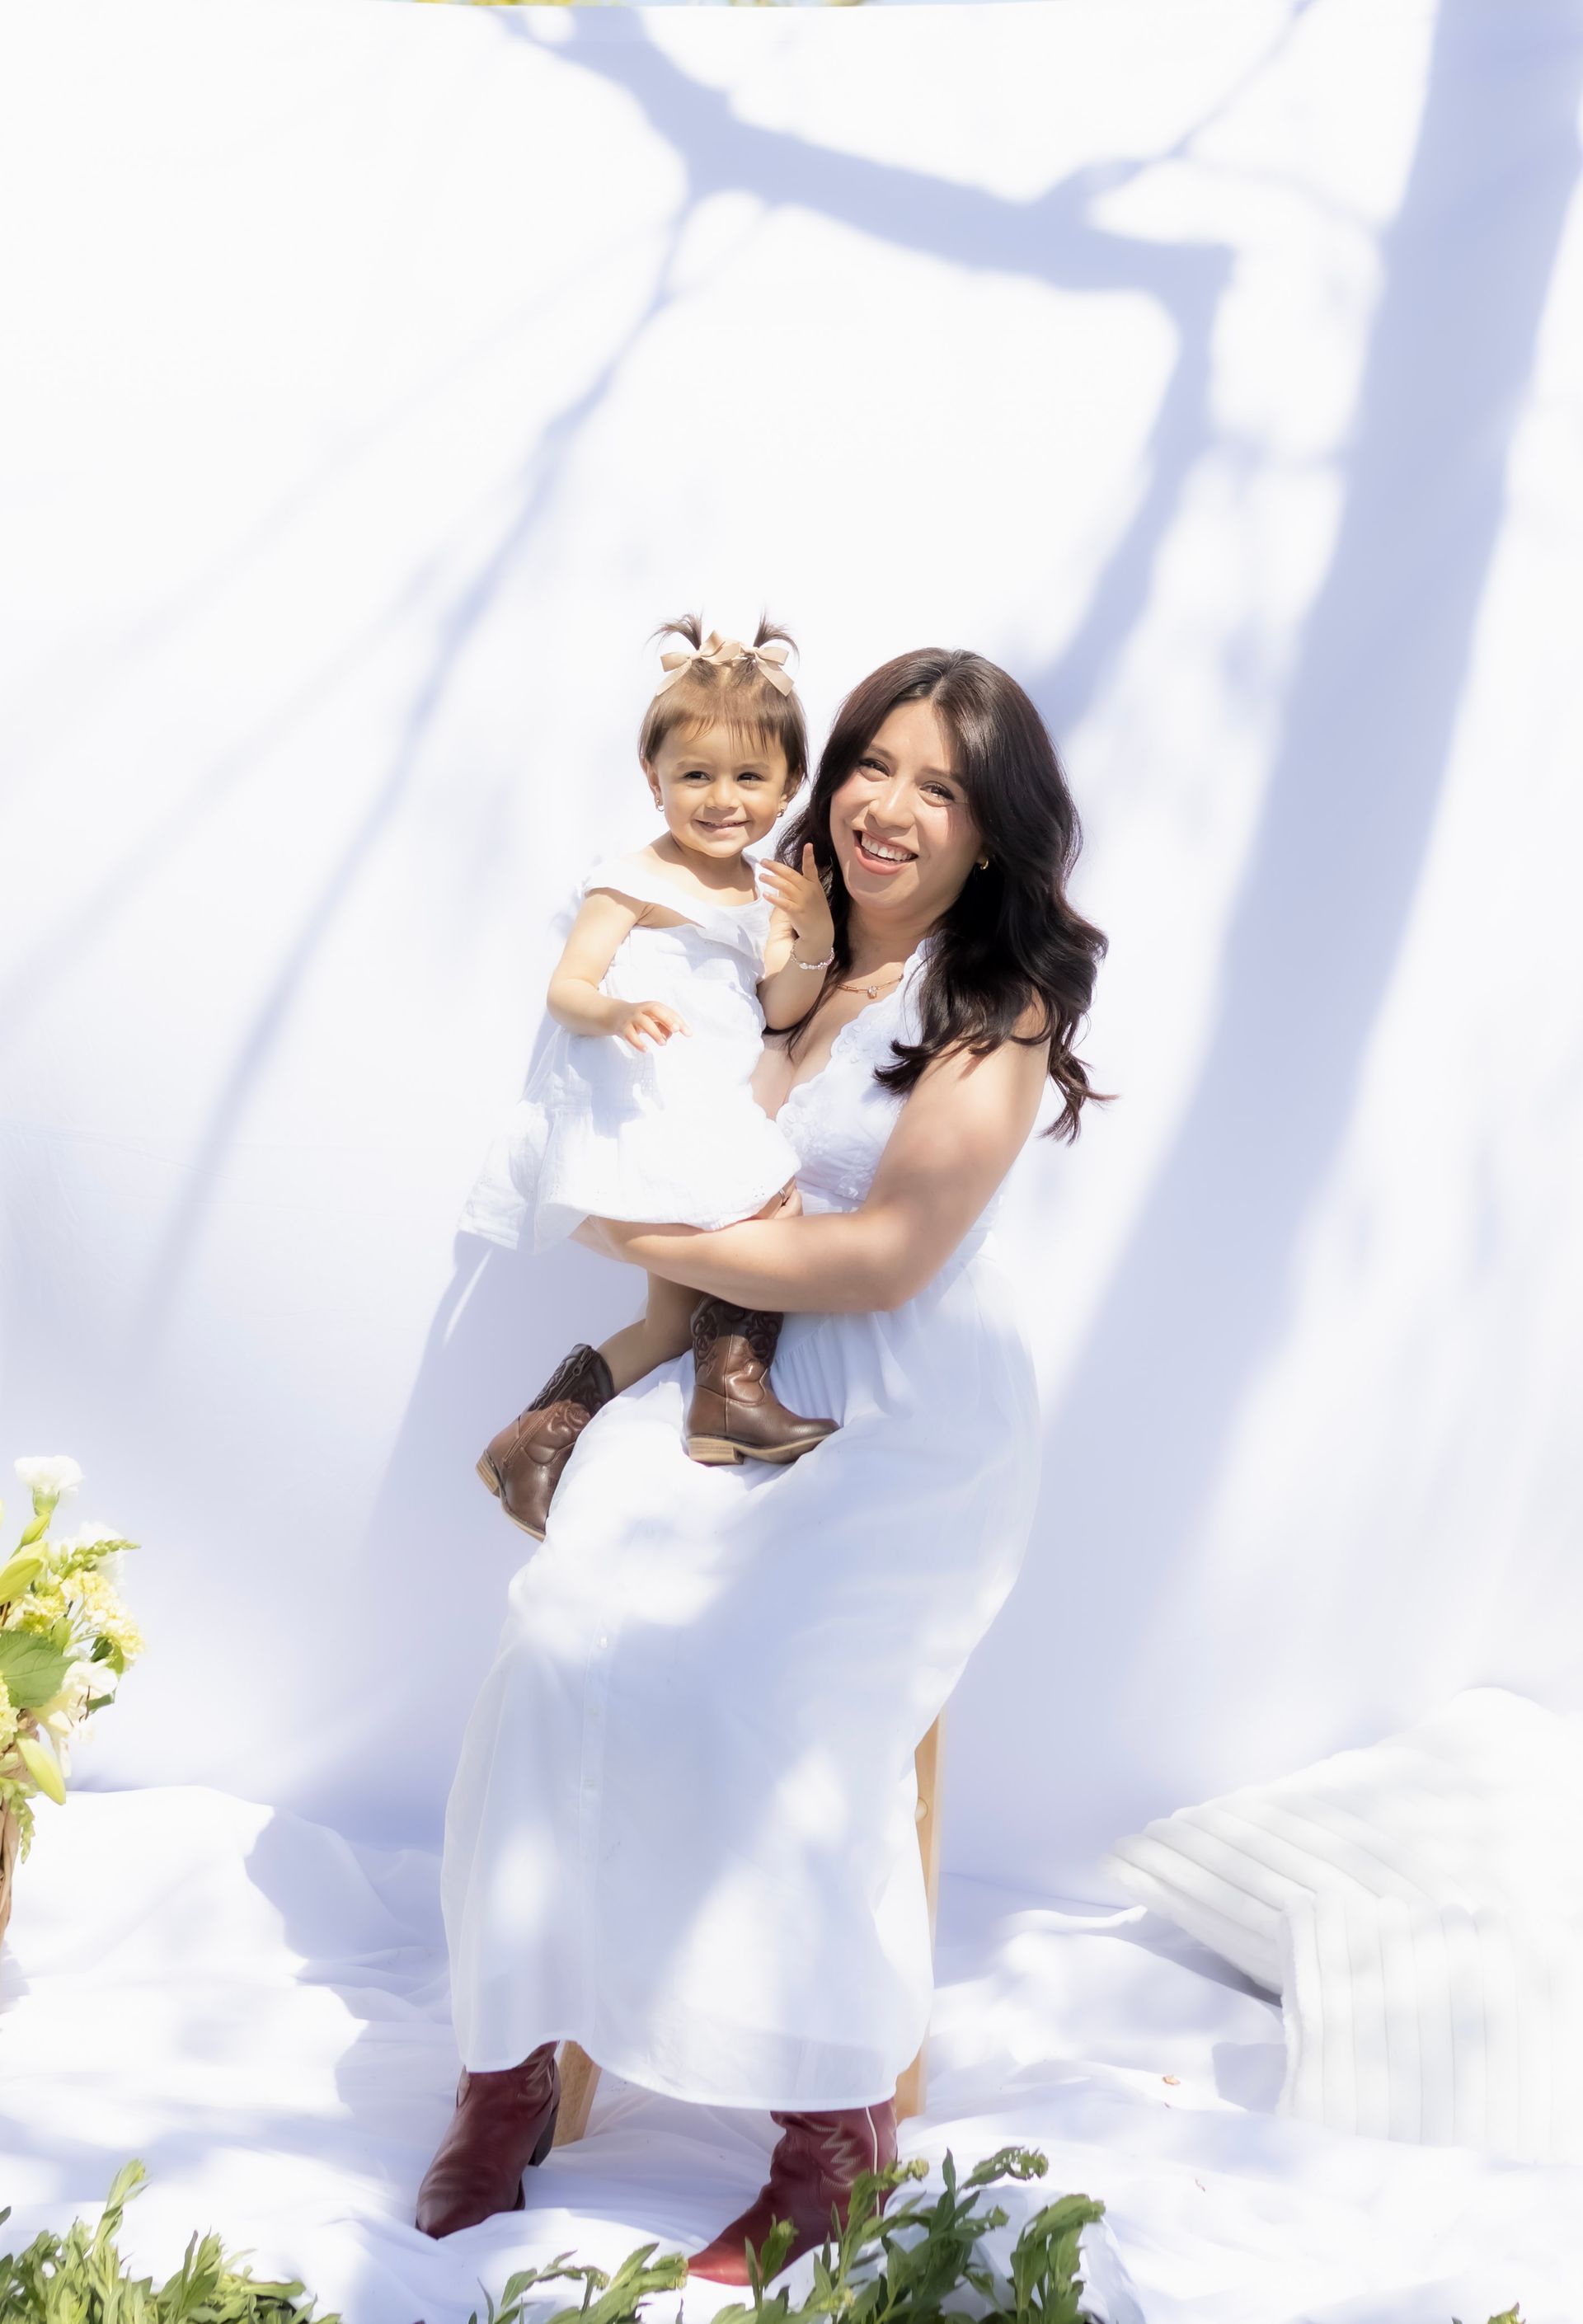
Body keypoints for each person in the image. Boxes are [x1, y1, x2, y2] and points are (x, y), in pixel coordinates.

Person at [420, 647, 1110, 2283]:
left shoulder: (993, 1005)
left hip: (907, 1411)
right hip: (736, 1370)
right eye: (875, 760)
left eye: (941, 784)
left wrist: (650, 1230)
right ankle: (506, 2063)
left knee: (772, 1684)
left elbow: (882, 1254)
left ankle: (832, 2125)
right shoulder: (756, 930)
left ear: (994, 833)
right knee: (561, 1638)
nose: (890, 802)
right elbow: (629, 1085)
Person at [460, 615, 848, 1540]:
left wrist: (818, 938)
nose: (722, 799)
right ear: (654, 779)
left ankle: (529, 1446)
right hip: (648, 1096)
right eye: (696, 776)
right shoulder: (632, 878)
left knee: (670, 1325)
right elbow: (569, 985)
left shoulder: (767, 891)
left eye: (750, 778)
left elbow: (783, 1005)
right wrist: (618, 1013)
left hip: (710, 1097)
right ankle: (731, 1397)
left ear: (790, 784)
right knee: (775, 1203)